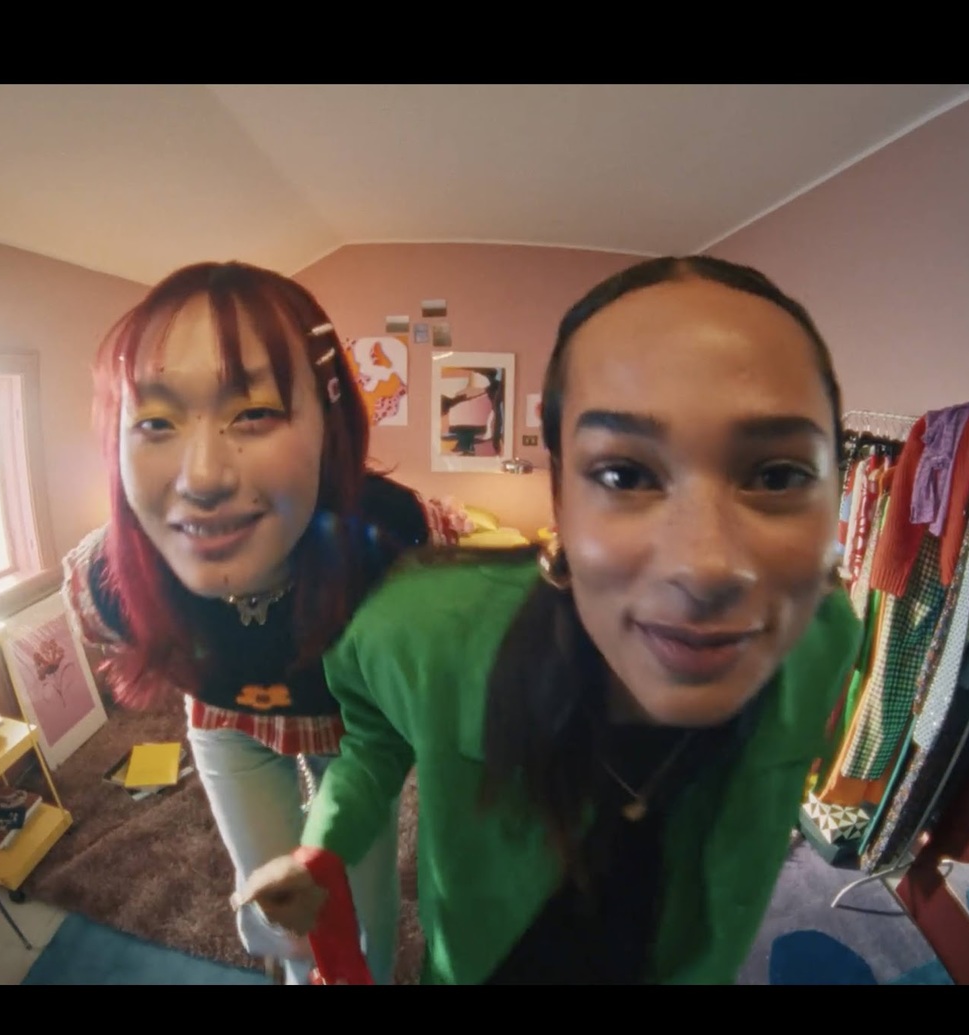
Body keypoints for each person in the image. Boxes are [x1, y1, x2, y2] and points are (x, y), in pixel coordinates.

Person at [234, 254, 864, 984]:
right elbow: (372, 741)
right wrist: (323, 848)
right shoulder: (422, 632)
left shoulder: (825, 639)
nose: (705, 566)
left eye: (777, 475)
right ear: (560, 495)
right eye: (626, 474)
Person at [61, 260, 468, 984]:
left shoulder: (396, 543)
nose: (203, 477)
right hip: (229, 723)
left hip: (355, 733)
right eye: (155, 421)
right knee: (278, 910)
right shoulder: (113, 581)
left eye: (252, 413)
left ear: (329, 421)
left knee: (361, 916)